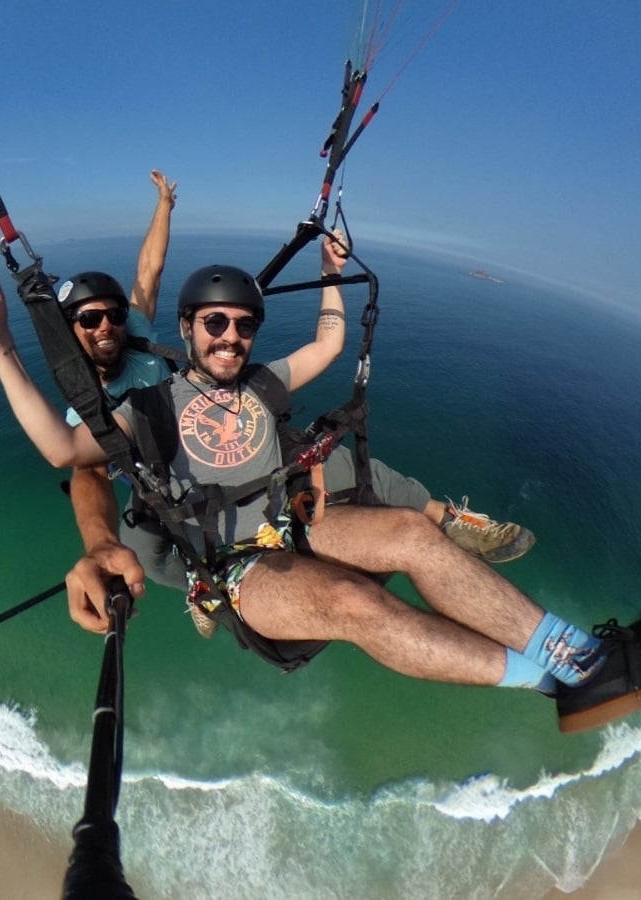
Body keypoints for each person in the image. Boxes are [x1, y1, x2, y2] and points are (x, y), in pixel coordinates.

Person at [0, 239, 641, 734]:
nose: (230, 337)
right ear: (186, 329)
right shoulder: (149, 408)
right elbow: (64, 447)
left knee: (414, 532)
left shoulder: (261, 382)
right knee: (356, 602)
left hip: (292, 521)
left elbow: (327, 344)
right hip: (235, 567)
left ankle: (586, 660)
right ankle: (554, 684)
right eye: (215, 323)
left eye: (244, 326)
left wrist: (332, 268)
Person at [56, 173, 535, 636]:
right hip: (165, 476)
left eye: (112, 315)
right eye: (89, 318)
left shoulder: (134, 333)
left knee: (338, 460)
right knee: (150, 549)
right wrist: (99, 543)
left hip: (209, 416)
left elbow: (149, 269)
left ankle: (446, 518)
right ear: (70, 330)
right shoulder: (89, 407)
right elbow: (87, 470)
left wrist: (164, 204)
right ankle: (200, 586)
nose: (105, 326)